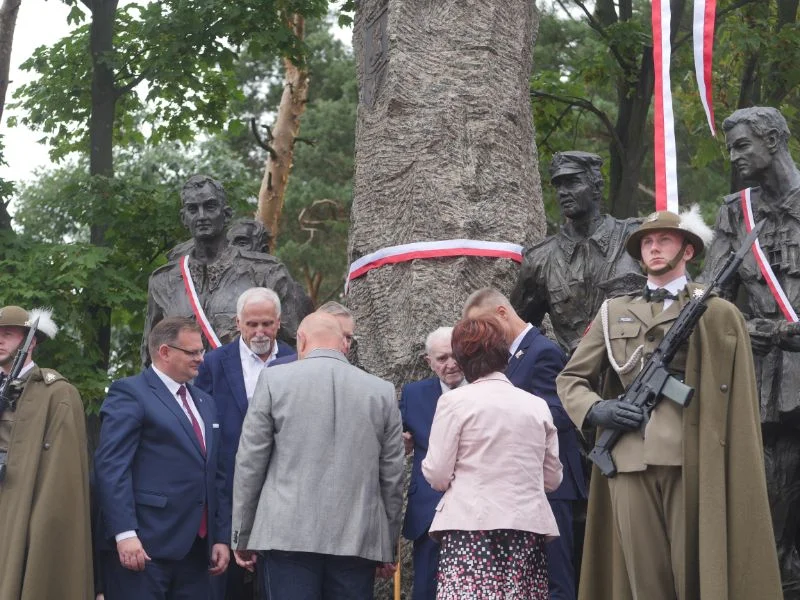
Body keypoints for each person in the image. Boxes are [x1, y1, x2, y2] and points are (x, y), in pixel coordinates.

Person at [557, 208, 782, 599]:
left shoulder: (716, 311)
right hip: (627, 456)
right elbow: (571, 379)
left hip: (690, 455)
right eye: (647, 242)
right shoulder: (613, 312)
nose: (654, 248)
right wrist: (597, 410)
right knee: (643, 577)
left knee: (696, 572)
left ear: (688, 252)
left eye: (664, 240)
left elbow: (735, 394)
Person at [231, 312, 404, 599]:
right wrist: (388, 546)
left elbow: (250, 463)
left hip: (285, 535)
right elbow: (392, 476)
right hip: (358, 537)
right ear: (344, 345)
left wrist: (242, 533)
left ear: (301, 340)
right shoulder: (381, 391)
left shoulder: (274, 381)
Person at [703, 106, 800, 585]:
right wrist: (764, 331)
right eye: (731, 147)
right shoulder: (734, 212)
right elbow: (708, 298)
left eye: (742, 145)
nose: (734, 156)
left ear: (775, 141)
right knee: (772, 482)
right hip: (765, 371)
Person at [422, 316, 562, 599]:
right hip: (526, 528)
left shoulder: (453, 402)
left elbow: (437, 474)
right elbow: (552, 478)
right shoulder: (537, 406)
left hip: (469, 526)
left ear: (462, 359)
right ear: (504, 354)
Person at [95, 317, 231, 599]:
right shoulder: (130, 393)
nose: (200, 360)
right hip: (144, 548)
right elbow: (112, 468)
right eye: (192, 352)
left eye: (201, 351)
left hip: (198, 551)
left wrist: (220, 537)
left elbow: (216, 473)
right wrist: (124, 533)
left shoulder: (205, 402)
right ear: (164, 352)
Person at [462, 287, 584, 600]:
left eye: (486, 325)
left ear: (503, 313)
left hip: (550, 486)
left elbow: (560, 412)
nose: (483, 335)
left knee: (555, 579)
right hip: (519, 487)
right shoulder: (507, 357)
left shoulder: (542, 351)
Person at [142, 174, 313, 365]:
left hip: (248, 392)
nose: (201, 216)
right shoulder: (163, 281)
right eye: (193, 209)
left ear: (227, 214)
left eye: (210, 206)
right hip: (184, 392)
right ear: (184, 218)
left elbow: (299, 347)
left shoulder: (266, 272)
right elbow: (151, 356)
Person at [194, 287, 295, 599]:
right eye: (252, 324)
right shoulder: (212, 364)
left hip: (284, 487)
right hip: (227, 487)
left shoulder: (297, 360)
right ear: (238, 323)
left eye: (266, 323)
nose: (260, 331)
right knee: (225, 586)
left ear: (279, 322)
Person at [0, 305, 94, 600]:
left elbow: (60, 476)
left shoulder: (56, 392)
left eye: (8, 334)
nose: (0, 340)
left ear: (32, 341)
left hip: (24, 505)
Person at [511, 151, 643, 354]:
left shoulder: (637, 238)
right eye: (558, 185)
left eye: (572, 182)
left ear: (597, 188)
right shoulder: (539, 259)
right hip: (576, 378)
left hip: (637, 368)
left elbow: (676, 298)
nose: (563, 192)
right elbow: (516, 332)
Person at [400, 326, 466, 600]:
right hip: (428, 510)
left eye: (456, 356)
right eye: (442, 359)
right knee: (426, 590)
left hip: (473, 510)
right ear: (429, 362)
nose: (450, 364)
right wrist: (400, 444)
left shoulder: (484, 389)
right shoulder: (413, 394)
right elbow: (397, 441)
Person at [270, 301, 356, 367]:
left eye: (348, 337)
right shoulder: (278, 369)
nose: (345, 344)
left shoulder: (356, 376)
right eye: (337, 336)